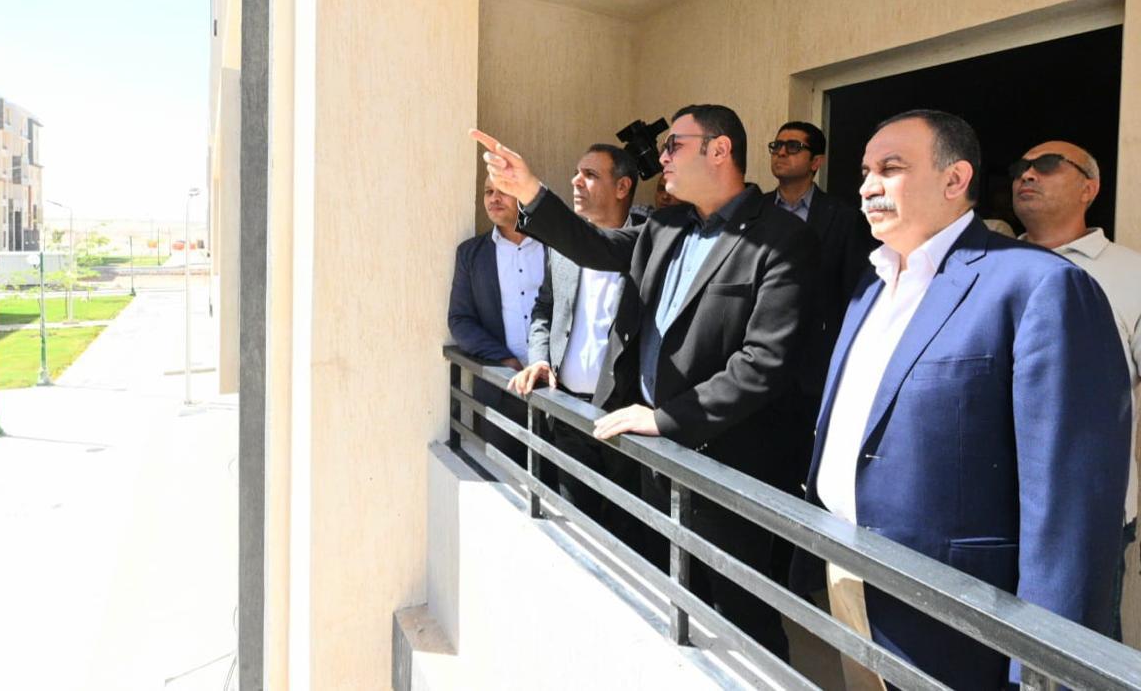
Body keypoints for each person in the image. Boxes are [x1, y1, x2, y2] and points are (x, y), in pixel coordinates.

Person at [472, 104, 817, 660]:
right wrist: (529, 190)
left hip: (727, 466)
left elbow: (763, 363)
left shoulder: (782, 239)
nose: (662, 157)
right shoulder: (666, 225)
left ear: (720, 150)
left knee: (740, 620)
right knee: (662, 600)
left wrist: (665, 418)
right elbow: (593, 247)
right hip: (652, 461)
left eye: (674, 145)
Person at [800, 111, 1130, 690]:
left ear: (955, 180)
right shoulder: (872, 284)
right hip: (849, 574)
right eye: (865, 171)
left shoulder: (1038, 285)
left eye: (890, 168)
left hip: (958, 616)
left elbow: (1070, 504)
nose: (868, 186)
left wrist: (1044, 665)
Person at [1012, 139, 1141, 641]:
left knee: (1077, 651)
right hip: (989, 505)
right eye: (1022, 166)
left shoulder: (1131, 274)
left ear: (1089, 188)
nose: (1027, 175)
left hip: (1086, 514)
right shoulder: (986, 262)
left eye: (1046, 166)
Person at [508, 144, 643, 526]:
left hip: (625, 422)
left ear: (622, 187)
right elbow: (545, 307)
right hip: (567, 412)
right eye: (576, 172)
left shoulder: (649, 244)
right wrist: (539, 358)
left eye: (590, 175)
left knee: (626, 533)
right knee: (575, 526)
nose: (575, 181)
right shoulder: (563, 246)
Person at [764, 122, 872, 485]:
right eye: (777, 145)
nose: (781, 152)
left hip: (812, 368)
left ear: (816, 161)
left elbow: (852, 294)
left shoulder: (843, 217)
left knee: (802, 469)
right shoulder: (756, 211)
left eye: (793, 146)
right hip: (755, 361)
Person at [448, 179, 545, 463]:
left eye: (503, 191)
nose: (494, 198)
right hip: (503, 388)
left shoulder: (553, 248)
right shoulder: (471, 254)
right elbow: (460, 320)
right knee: (506, 478)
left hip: (555, 390)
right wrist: (503, 359)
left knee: (561, 481)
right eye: (489, 192)